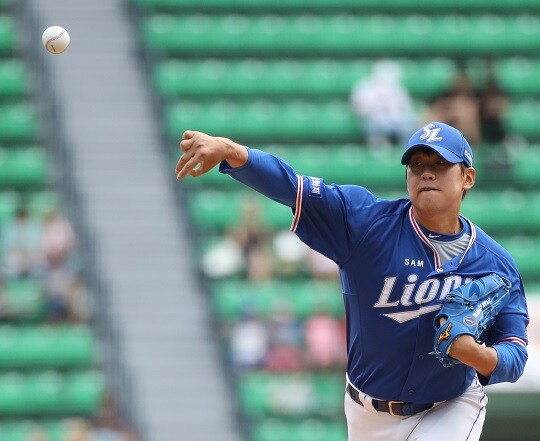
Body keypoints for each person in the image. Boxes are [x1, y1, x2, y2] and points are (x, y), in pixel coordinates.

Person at [175, 122, 529, 441]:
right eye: (417, 164)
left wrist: (479, 355)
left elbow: (515, 350)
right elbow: (292, 186)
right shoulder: (366, 224)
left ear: (467, 177)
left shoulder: (494, 264)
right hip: (366, 413)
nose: (426, 174)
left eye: (440, 164)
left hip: (450, 405)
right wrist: (235, 153)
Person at [349, 60, 417, 148]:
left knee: (409, 123)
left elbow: (406, 105)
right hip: (372, 119)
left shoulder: (396, 87)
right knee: (378, 121)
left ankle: (407, 149)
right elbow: (358, 107)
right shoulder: (365, 86)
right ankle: (379, 147)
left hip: (395, 120)